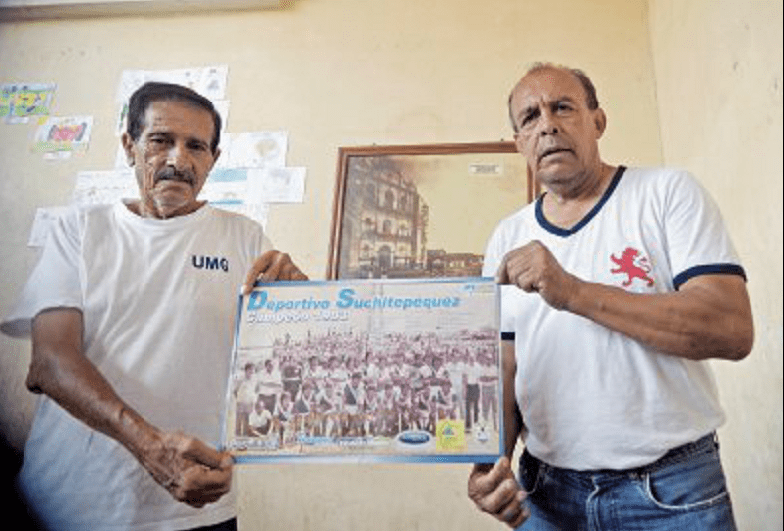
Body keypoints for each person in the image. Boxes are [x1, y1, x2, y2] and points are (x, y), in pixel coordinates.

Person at [0, 81, 308, 531]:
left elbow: (271, 363)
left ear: (213, 160)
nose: (178, 160)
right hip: (73, 500)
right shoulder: (80, 230)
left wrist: (299, 304)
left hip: (200, 506)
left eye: (196, 147)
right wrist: (149, 446)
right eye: (161, 140)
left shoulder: (246, 237)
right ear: (130, 145)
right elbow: (48, 362)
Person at [467, 63, 754, 530]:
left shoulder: (667, 193)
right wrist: (491, 462)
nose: (548, 125)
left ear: (597, 121)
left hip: (672, 490)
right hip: (545, 495)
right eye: (529, 118)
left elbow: (731, 330)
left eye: (562, 107)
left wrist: (573, 291)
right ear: (519, 142)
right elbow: (503, 365)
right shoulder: (506, 236)